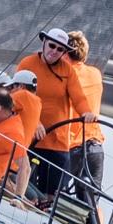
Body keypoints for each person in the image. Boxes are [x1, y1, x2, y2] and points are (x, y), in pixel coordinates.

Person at [16, 28, 96, 199]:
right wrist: (35, 122)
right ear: (44, 43)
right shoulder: (27, 63)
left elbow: (79, 97)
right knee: (21, 183)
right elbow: (18, 95)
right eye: (52, 46)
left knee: (53, 194)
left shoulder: (67, 70)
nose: (55, 51)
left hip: (57, 141)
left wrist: (87, 112)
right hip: (30, 138)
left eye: (60, 49)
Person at [67, 31, 105, 202]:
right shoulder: (95, 73)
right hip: (95, 148)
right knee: (89, 207)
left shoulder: (65, 75)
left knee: (48, 195)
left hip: (71, 147)